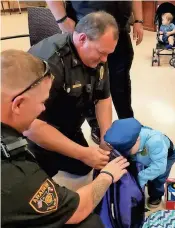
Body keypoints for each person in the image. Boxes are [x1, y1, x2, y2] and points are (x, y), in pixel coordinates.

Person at [1, 49, 130, 227]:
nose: (43, 109)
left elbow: (103, 98)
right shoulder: (17, 176)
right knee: (91, 223)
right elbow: (77, 210)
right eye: (41, 102)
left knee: (81, 168)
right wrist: (107, 175)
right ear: (18, 104)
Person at [25, 12, 118, 177]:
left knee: (83, 168)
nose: (104, 59)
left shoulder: (99, 56)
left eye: (108, 54)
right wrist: (82, 153)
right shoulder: (48, 64)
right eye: (101, 52)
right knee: (42, 179)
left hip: (69, 124)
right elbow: (30, 125)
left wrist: (105, 137)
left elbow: (103, 97)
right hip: (36, 132)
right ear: (82, 39)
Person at [46, 0, 144, 143]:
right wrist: (62, 20)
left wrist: (138, 20)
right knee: (89, 82)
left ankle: (127, 121)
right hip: (88, 27)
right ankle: (95, 124)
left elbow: (104, 94)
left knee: (120, 81)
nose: (104, 60)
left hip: (119, 28)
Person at [104, 118, 175, 209]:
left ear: (138, 139)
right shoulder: (132, 140)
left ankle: (156, 196)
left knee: (158, 178)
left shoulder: (155, 141)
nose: (126, 153)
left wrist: (141, 177)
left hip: (165, 158)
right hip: (145, 155)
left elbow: (159, 167)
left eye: (128, 150)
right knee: (138, 167)